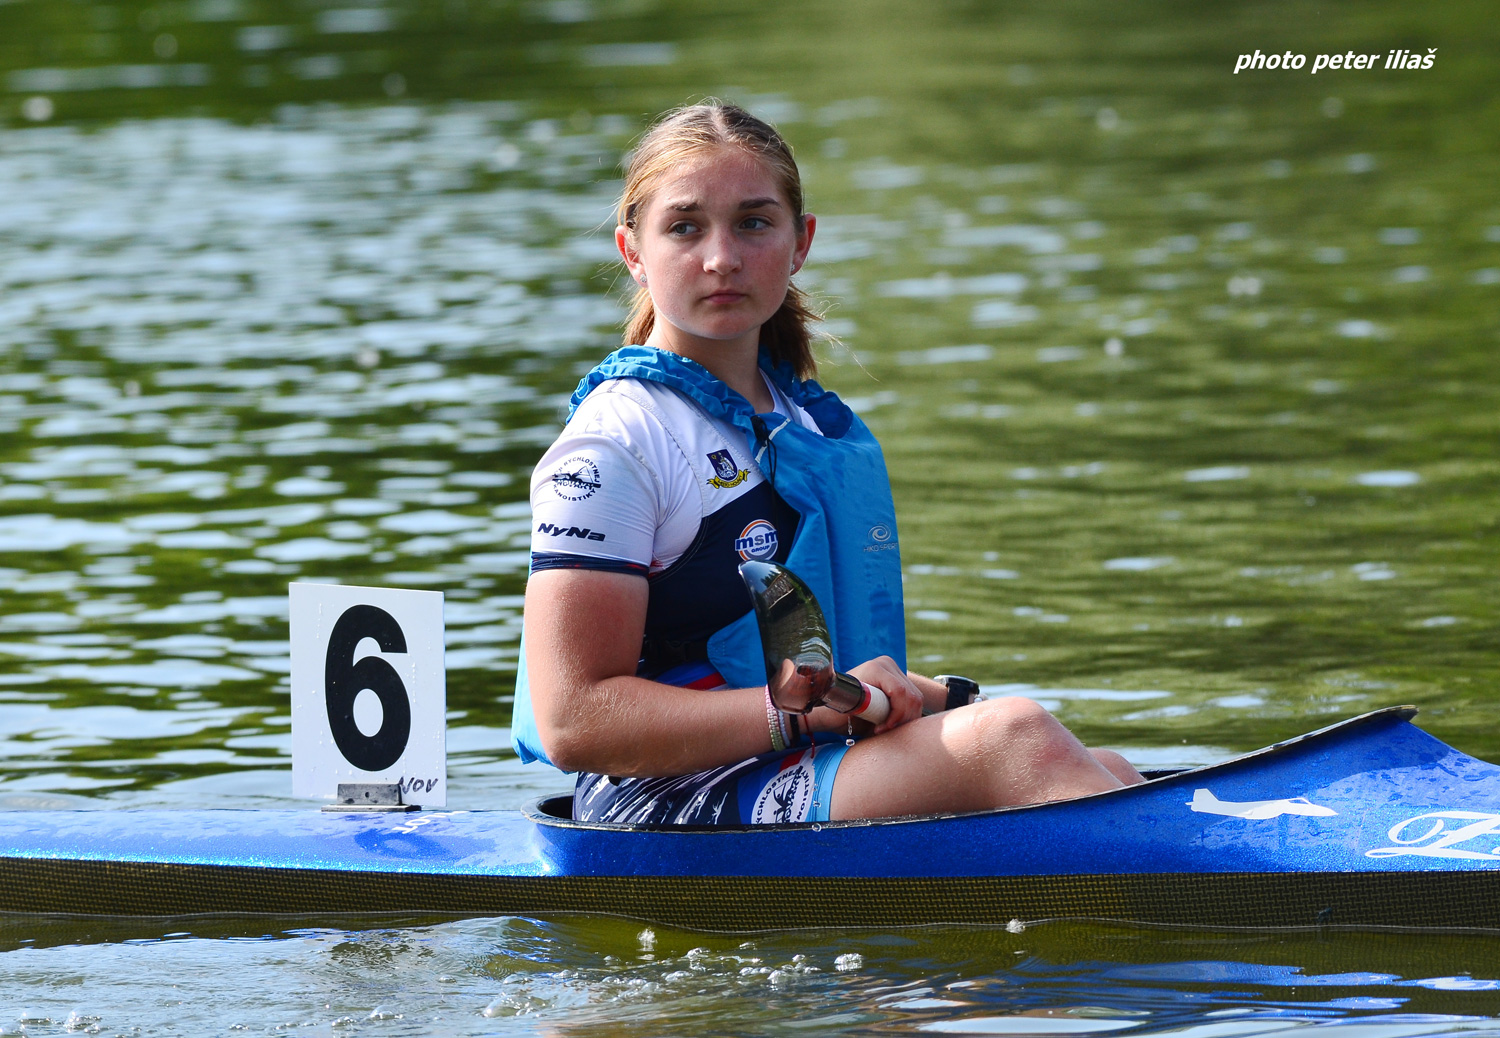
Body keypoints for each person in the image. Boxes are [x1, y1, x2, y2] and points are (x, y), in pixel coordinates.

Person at [511, 101, 1142, 826]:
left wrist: (944, 701)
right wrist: (810, 715)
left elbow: (805, 667)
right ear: (633, 250)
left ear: (800, 241)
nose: (722, 258)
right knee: (1016, 739)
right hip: (658, 794)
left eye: (753, 222)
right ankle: (1225, 904)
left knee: (1104, 765)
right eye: (685, 227)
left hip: (790, 751)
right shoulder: (613, 444)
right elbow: (575, 721)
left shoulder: (799, 419)